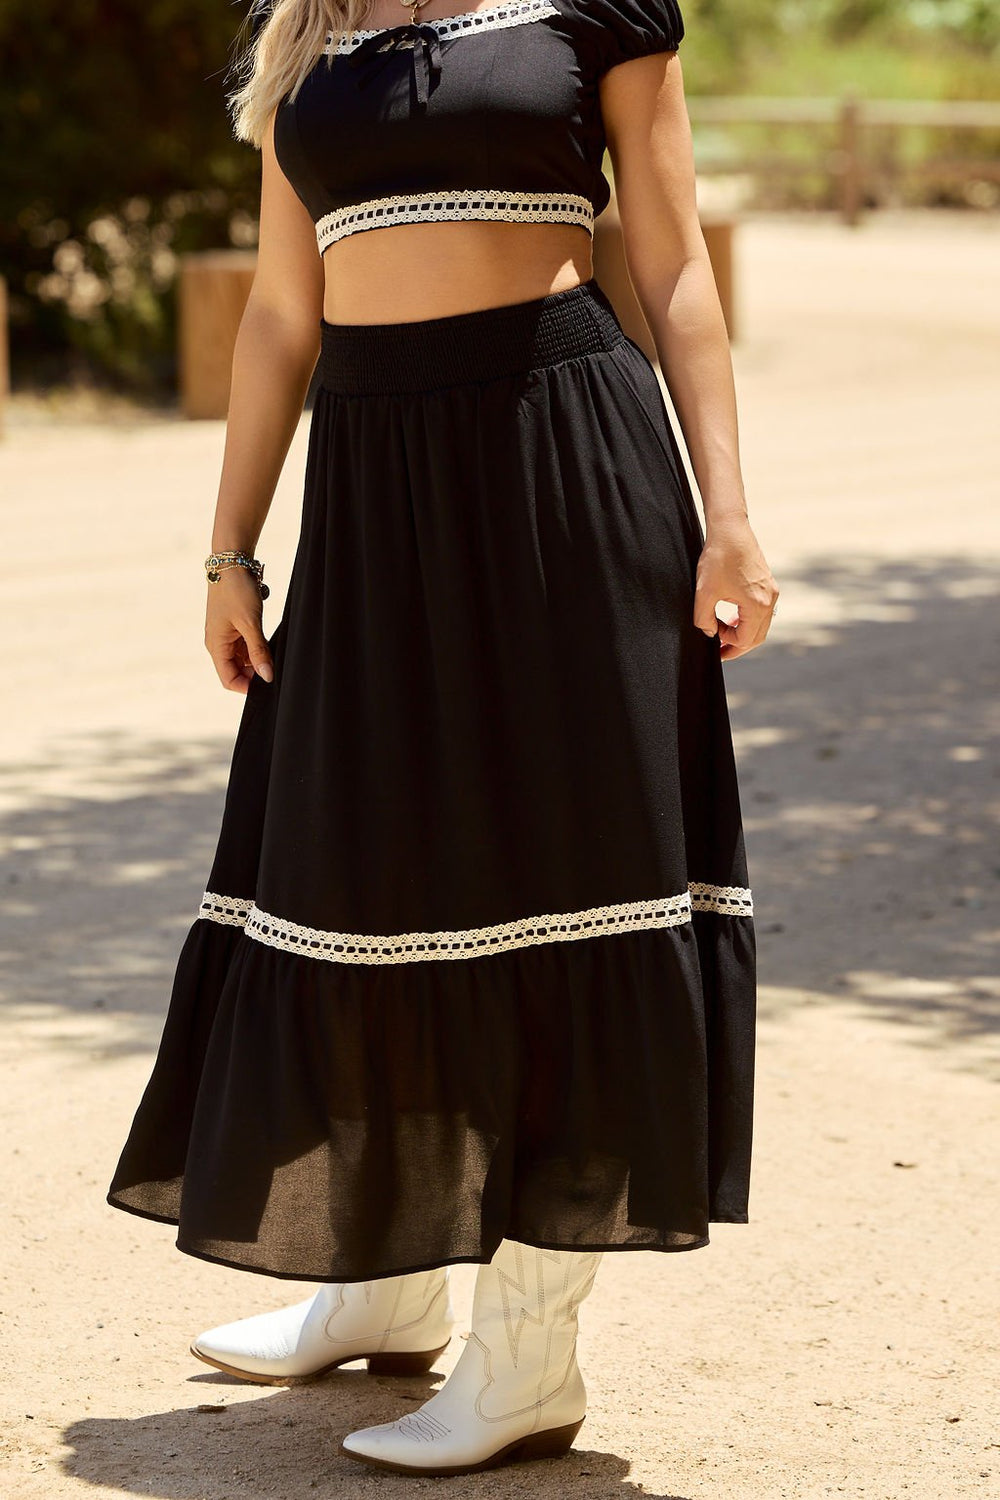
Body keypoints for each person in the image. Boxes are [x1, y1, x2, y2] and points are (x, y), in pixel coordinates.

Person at [107, 0, 778, 1478]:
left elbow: (667, 260)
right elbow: (285, 309)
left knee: (568, 876)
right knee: (370, 869)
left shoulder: (590, 9)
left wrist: (729, 518)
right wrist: (230, 552)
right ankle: (391, 1271)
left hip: (562, 455)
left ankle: (530, 1349)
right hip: (372, 492)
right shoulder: (305, 36)